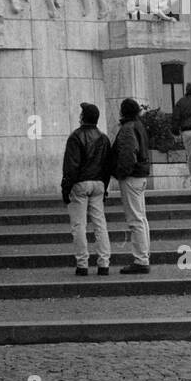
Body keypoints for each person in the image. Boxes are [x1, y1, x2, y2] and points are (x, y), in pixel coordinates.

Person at [60, 102, 112, 277]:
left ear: (83, 117)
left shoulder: (76, 137)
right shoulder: (104, 138)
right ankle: (104, 263)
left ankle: (82, 264)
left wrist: (66, 188)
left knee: (79, 225)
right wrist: (104, 187)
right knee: (100, 224)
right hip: (98, 183)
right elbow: (107, 166)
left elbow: (71, 166)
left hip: (80, 184)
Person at [108, 97, 151, 274]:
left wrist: (121, 173)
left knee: (135, 220)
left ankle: (141, 260)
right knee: (141, 218)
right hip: (140, 175)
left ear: (123, 112)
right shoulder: (139, 126)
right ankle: (144, 255)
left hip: (131, 177)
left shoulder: (127, 129)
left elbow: (127, 154)